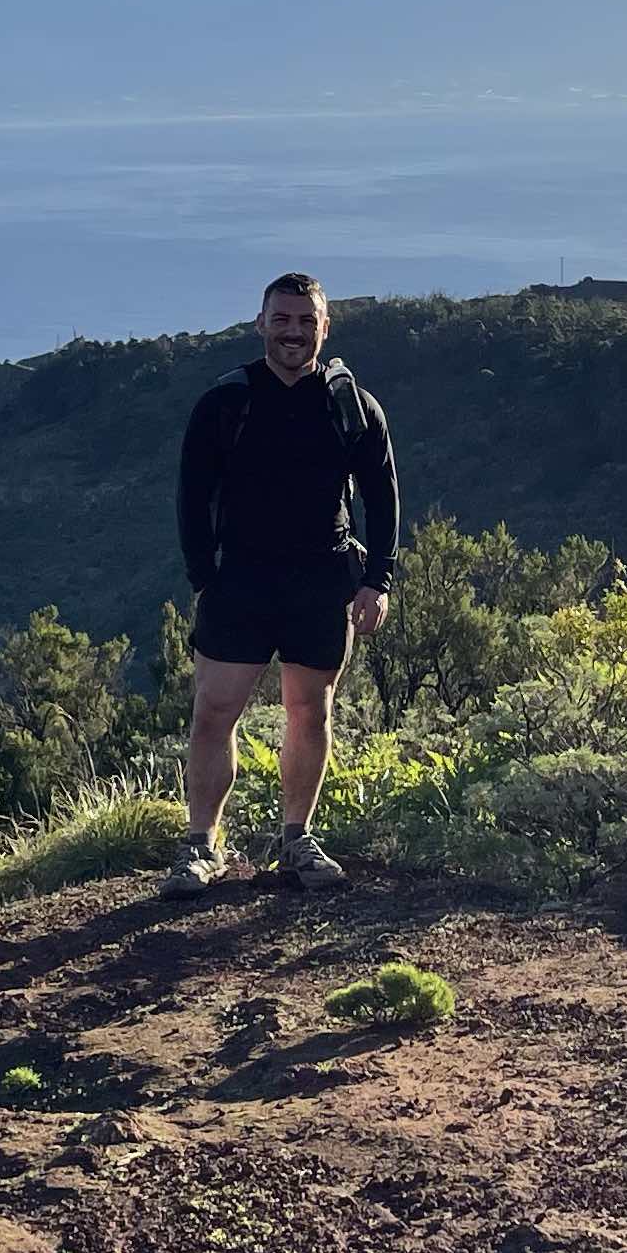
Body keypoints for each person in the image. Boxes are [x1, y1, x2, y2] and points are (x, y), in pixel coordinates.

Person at [163, 272, 400, 894]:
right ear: (261, 323)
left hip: (322, 580)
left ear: (325, 327)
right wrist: (204, 577)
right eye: (282, 319)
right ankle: (200, 846)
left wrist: (377, 580)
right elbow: (192, 495)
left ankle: (297, 841)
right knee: (214, 712)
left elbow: (383, 498)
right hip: (240, 579)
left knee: (309, 711)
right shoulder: (225, 403)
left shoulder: (353, 406)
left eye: (306, 321)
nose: (294, 332)